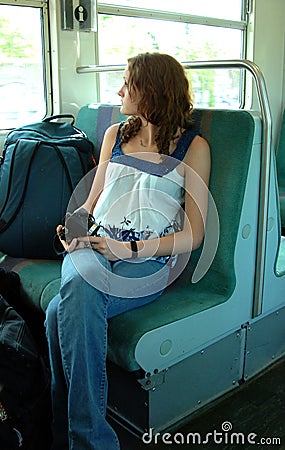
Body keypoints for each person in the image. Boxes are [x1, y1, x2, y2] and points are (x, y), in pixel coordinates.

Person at [45, 52, 210, 450]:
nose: (119, 90)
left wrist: (130, 248)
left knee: (57, 315)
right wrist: (74, 226)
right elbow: (92, 200)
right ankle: (91, 441)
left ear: (151, 90)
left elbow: (195, 233)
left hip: (148, 261)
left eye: (127, 82)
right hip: (95, 246)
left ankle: (65, 434)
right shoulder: (114, 135)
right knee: (80, 283)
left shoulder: (193, 148)